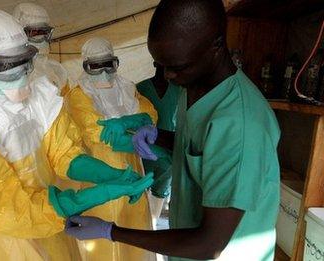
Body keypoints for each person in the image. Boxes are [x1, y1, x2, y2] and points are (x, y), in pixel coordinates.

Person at [0, 10, 153, 261]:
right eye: (9, 68)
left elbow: (64, 153)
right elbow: (8, 206)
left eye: (25, 63)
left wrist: (113, 176)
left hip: (54, 226)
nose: (24, 76)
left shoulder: (39, 93)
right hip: (10, 239)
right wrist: (88, 197)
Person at [65, 1, 281, 260]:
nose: (167, 75)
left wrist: (111, 231)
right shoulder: (194, 85)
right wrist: (159, 135)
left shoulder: (242, 125)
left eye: (177, 66)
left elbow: (209, 244)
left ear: (216, 46)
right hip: (185, 243)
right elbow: (203, 146)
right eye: (160, 64)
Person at [65, 36, 158, 261]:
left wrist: (137, 122)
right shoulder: (78, 95)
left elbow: (150, 114)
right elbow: (96, 132)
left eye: (109, 64)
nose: (104, 72)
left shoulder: (127, 88)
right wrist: (136, 131)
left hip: (133, 167)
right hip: (97, 173)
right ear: (85, 66)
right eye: (95, 66)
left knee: (133, 230)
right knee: (100, 239)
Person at [135, 62, 182, 201]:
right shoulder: (139, 89)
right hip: (143, 151)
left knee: (159, 197)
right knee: (140, 194)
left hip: (168, 153)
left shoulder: (179, 91)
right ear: (155, 63)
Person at [13, 3, 70, 96]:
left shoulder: (57, 70)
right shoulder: (9, 74)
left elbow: (65, 103)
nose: (42, 38)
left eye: (44, 32)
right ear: (19, 33)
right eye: (35, 32)